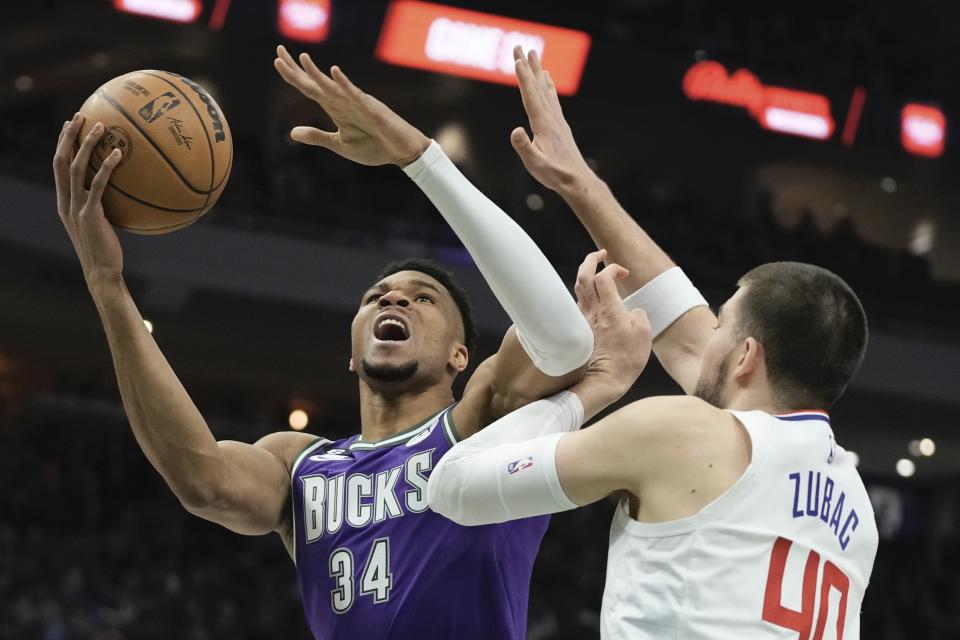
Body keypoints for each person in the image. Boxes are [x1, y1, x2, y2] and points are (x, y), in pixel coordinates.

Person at [50, 45, 608, 639]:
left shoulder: (483, 426)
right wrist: (106, 284)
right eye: (376, 296)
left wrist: (421, 160)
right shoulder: (301, 463)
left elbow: (564, 340)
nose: (392, 300)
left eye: (423, 298)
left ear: (459, 356)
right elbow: (203, 480)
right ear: (351, 353)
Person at [427, 47, 879, 639]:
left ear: (746, 356)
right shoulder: (854, 505)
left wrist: (592, 390)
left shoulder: (684, 431)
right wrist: (579, 183)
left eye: (721, 322)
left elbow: (452, 488)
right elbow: (681, 325)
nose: (704, 330)